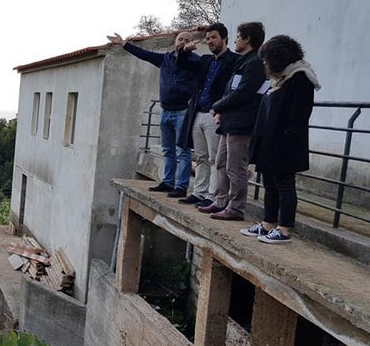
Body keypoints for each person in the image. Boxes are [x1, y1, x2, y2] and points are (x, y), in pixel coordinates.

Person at [240, 35, 318, 243]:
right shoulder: (279, 79)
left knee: (284, 185)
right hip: (269, 142)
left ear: (278, 57)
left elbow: (299, 116)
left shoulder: (300, 78)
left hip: (285, 145)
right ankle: (268, 224)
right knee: (270, 185)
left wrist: (283, 140)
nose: (265, 64)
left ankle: (284, 230)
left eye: (267, 59)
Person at [107, 31, 198, 198]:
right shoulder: (165, 59)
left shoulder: (194, 61)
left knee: (183, 151)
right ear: (175, 41)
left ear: (191, 44)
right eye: (180, 39)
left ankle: (181, 186)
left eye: (187, 40)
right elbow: (144, 54)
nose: (183, 42)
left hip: (182, 112)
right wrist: (123, 43)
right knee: (167, 150)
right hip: (165, 111)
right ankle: (168, 182)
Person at [198, 22, 267, 221]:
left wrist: (217, 106)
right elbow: (232, 90)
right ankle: (220, 201)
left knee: (236, 167)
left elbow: (243, 93)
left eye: (238, 36)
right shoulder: (243, 61)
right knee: (220, 163)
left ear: (247, 39)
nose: (235, 40)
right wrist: (222, 110)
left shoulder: (255, 63)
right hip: (230, 122)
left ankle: (236, 208)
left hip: (242, 123)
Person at [176, 23, 240, 207]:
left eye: (214, 37)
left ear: (224, 38)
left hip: (216, 114)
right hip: (198, 112)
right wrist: (185, 52)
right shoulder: (205, 60)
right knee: (201, 156)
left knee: (215, 158)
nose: (210, 41)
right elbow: (181, 64)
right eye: (208, 38)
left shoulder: (234, 61)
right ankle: (199, 192)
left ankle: (213, 195)